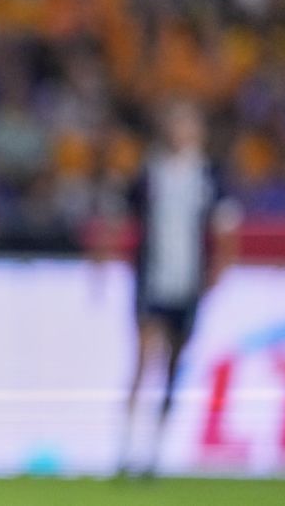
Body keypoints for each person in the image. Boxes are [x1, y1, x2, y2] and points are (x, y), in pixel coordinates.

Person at [111, 101, 239, 477]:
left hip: (188, 283)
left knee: (172, 366)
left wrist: (217, 273)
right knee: (143, 358)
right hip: (152, 280)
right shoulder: (149, 173)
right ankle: (126, 449)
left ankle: (153, 452)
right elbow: (122, 218)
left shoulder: (209, 177)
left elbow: (226, 228)